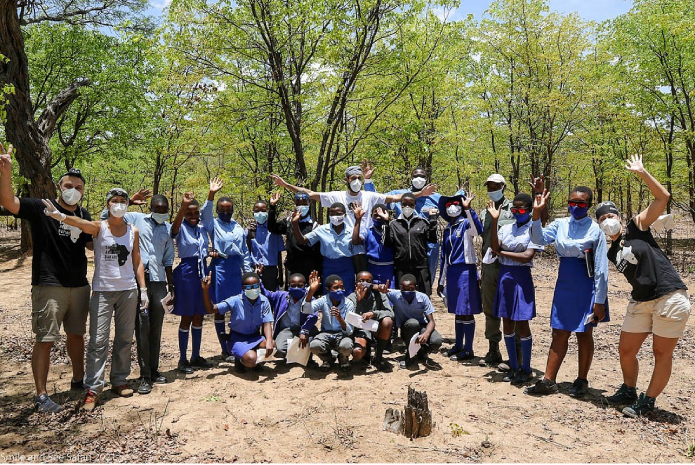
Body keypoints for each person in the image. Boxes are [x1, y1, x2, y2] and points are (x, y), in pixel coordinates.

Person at [1, 144, 92, 412]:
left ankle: (78, 380)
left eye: (79, 187)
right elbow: (9, 202)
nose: (73, 190)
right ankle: (41, 395)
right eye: (69, 185)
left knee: (76, 335)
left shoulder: (83, 214)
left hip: (79, 286)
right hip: (49, 285)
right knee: (46, 338)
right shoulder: (42, 206)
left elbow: (90, 243)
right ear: (59, 186)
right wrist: (5, 174)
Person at [599, 155, 690, 418]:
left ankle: (647, 401)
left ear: (619, 215)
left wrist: (642, 172)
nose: (608, 219)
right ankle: (629, 389)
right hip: (640, 301)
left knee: (661, 352)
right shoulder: (611, 251)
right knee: (626, 350)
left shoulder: (636, 227)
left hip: (668, 296)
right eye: (602, 217)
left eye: (611, 214)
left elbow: (663, 197)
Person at [43, 188, 147, 411]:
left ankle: (119, 380)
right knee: (98, 341)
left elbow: (137, 261)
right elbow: (79, 223)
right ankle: (93, 388)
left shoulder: (133, 231)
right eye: (114, 201)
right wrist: (60, 216)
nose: (119, 204)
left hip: (128, 291)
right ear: (108, 205)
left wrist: (143, 289)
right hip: (103, 291)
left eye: (122, 201)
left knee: (125, 338)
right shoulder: (100, 228)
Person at [526, 186, 609, 398]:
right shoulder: (560, 224)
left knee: (584, 332)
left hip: (587, 284)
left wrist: (599, 301)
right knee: (559, 330)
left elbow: (600, 269)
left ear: (588, 205)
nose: (575, 207)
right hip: (565, 283)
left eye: (581, 203)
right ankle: (549, 380)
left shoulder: (595, 230)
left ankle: (582, 380)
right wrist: (536, 213)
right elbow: (539, 238)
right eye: (572, 202)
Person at [478, 173, 547, 366]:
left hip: (513, 268)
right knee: (491, 308)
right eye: (489, 186)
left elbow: (539, 220)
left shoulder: (515, 208)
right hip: (491, 266)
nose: (492, 190)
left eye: (495, 186)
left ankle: (516, 355)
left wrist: (539, 193)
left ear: (503, 187)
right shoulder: (486, 212)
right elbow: (486, 240)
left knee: (515, 313)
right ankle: (493, 349)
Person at [109, 194, 175, 395]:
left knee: (156, 328)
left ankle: (154, 371)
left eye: (165, 210)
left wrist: (171, 286)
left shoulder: (167, 228)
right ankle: (144, 375)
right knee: (142, 328)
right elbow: (108, 216)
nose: (161, 213)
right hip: (139, 282)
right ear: (152, 208)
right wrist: (129, 203)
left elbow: (168, 259)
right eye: (158, 209)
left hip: (159, 283)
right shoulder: (136, 218)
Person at [487, 194, 543, 385]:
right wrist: (494, 222)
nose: (518, 213)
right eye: (514, 209)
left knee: (522, 323)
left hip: (521, 277)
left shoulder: (533, 229)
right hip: (505, 276)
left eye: (521, 210)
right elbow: (494, 245)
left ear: (528, 210)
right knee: (507, 322)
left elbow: (527, 256)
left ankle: (526, 369)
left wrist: (501, 253)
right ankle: (513, 366)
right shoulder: (506, 228)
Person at [363, 164, 442, 285]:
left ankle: (425, 300)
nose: (419, 179)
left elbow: (453, 208)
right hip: (403, 246)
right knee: (404, 282)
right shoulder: (399, 195)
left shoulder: (436, 198)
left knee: (426, 281)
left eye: (422, 176)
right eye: (416, 176)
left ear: (427, 179)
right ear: (411, 178)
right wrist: (368, 180)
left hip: (428, 247)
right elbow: (377, 199)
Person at [201, 177, 252, 355]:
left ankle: (236, 342)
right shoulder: (213, 224)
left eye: (228, 209)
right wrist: (211, 194)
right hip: (219, 268)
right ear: (217, 210)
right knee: (220, 309)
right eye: (222, 209)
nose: (225, 212)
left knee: (238, 307)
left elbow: (244, 251)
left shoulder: (237, 226)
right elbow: (204, 215)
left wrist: (248, 272)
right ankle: (224, 349)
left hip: (235, 270)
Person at [436, 190, 483, 362]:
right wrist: (441, 281)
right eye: (449, 205)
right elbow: (444, 257)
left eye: (455, 204)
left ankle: (469, 349)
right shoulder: (447, 229)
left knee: (466, 311)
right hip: (453, 273)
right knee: (457, 311)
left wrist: (469, 209)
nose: (452, 207)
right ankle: (458, 345)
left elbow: (478, 230)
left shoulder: (465, 224)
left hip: (466, 271)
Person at [170, 192, 213, 375]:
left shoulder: (203, 229)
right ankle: (182, 358)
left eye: (196, 214)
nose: (193, 217)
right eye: (189, 214)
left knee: (199, 315)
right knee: (186, 316)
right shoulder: (180, 228)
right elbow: (173, 230)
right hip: (186, 273)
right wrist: (183, 207)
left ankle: (196, 355)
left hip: (202, 273)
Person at [201, 271, 274, 372]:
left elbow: (267, 323)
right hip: (237, 338)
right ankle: (239, 360)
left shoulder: (264, 301)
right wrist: (205, 291)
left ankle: (253, 359)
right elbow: (211, 309)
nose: (253, 290)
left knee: (272, 345)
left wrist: (269, 340)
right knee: (251, 359)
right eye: (248, 287)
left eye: (255, 286)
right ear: (243, 288)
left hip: (254, 337)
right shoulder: (235, 301)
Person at [370, 193, 438, 295]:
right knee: (402, 296)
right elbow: (386, 242)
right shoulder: (394, 224)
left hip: (420, 267)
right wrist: (386, 222)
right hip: (401, 268)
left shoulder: (422, 222)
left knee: (424, 295)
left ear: (415, 206)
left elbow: (433, 239)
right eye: (404, 204)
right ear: (401, 205)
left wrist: (432, 219)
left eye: (411, 204)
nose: (407, 207)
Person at [292, 202, 359, 295]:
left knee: (347, 295)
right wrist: (295, 224)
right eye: (332, 213)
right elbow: (302, 240)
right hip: (329, 266)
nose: (335, 216)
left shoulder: (351, 231)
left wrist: (358, 219)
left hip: (346, 267)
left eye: (338, 214)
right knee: (329, 295)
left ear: (345, 215)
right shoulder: (321, 230)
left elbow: (357, 242)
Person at [255, 266, 318, 361]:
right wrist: (258, 279)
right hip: (286, 330)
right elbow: (266, 294)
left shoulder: (310, 298)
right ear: (288, 286)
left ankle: (308, 359)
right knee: (279, 349)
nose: (296, 288)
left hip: (304, 328)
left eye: (299, 285)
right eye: (293, 285)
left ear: (305, 286)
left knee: (313, 342)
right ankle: (293, 356)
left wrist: (304, 331)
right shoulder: (281, 296)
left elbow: (313, 316)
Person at [379, 274, 442, 369]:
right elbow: (377, 288)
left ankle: (422, 351)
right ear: (400, 288)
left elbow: (431, 321)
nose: (407, 292)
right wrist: (380, 287)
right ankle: (409, 356)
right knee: (412, 323)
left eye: (411, 289)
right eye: (404, 289)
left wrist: (426, 334)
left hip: (421, 327)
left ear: (416, 287)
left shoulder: (423, 297)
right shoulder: (395, 294)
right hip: (407, 328)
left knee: (436, 341)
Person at [267, 191, 323, 292]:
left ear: (309, 204)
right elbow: (272, 228)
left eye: (304, 204)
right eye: (298, 204)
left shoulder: (315, 226)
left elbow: (313, 250)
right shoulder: (289, 222)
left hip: (309, 268)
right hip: (292, 267)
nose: (301, 207)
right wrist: (272, 207)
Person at [304, 273, 355, 372]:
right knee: (314, 345)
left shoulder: (348, 303)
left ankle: (343, 358)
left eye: (341, 287)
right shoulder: (323, 300)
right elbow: (306, 309)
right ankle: (328, 359)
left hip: (342, 334)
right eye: (336, 288)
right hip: (326, 333)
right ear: (328, 290)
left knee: (346, 346)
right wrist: (311, 290)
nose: (339, 290)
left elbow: (349, 331)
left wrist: (339, 318)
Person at [346, 271, 395, 371]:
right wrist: (359, 302)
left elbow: (390, 313)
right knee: (357, 353)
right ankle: (365, 353)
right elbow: (350, 318)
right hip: (360, 330)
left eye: (368, 281)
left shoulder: (380, 295)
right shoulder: (351, 297)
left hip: (376, 329)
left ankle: (378, 357)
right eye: (361, 281)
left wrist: (374, 314)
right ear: (356, 283)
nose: (365, 283)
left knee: (387, 321)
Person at [246, 199, 285, 290]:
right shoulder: (249, 230)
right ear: (253, 213)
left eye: (263, 211)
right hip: (254, 269)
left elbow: (279, 254)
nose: (260, 213)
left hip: (271, 271)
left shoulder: (274, 231)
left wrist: (281, 274)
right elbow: (247, 251)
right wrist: (248, 236)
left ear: (267, 212)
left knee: (271, 297)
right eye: (257, 211)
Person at [363, 204, 395, 288]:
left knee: (389, 294)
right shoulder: (367, 231)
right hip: (372, 269)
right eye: (376, 215)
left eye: (381, 215)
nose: (378, 217)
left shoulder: (393, 230)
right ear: (371, 216)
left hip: (389, 270)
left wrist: (386, 221)